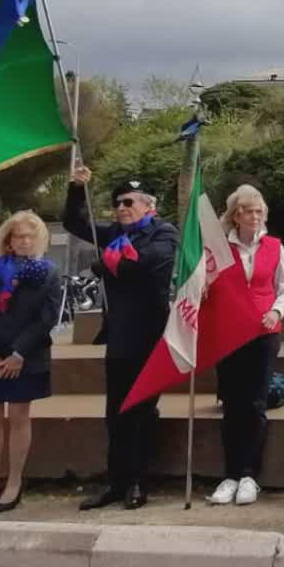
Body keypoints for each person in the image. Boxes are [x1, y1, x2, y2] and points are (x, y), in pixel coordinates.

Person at [64, 166, 179, 511]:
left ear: (149, 206)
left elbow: (148, 264)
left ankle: (138, 483)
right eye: (117, 203)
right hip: (119, 336)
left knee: (142, 412)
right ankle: (116, 482)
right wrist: (74, 189)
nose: (121, 207)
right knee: (115, 414)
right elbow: (74, 223)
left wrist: (103, 266)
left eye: (129, 202)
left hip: (150, 335)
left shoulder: (164, 232)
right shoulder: (112, 232)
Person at [0, 210, 62, 515]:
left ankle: (14, 483)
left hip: (26, 357)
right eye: (19, 236)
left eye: (31, 236)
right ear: (8, 240)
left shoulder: (48, 273)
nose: (25, 241)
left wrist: (18, 354)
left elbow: (46, 318)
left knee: (19, 417)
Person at [206, 184, 284, 507]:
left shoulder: (274, 247)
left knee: (255, 403)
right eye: (247, 211)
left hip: (262, 333)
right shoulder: (217, 248)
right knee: (232, 402)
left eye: (259, 211)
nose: (254, 216)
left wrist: (275, 311)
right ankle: (230, 475)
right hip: (227, 333)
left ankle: (249, 475)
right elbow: (206, 285)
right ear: (235, 215)